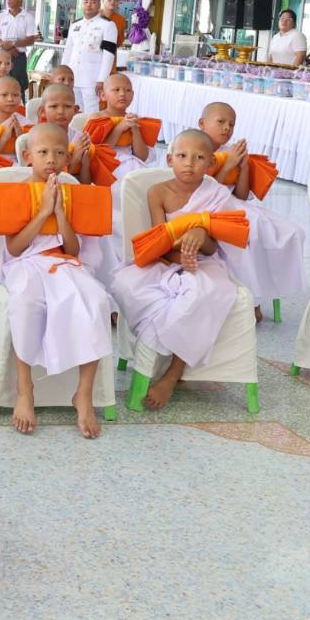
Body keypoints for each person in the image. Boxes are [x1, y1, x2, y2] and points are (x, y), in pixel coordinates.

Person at [109, 129, 243, 410]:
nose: (189, 163)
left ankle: (173, 374)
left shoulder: (217, 194)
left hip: (204, 263)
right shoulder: (158, 192)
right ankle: (152, 354)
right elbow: (160, 240)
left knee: (202, 294)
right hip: (164, 260)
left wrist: (201, 233)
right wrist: (179, 257)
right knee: (126, 284)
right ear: (170, 159)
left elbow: (213, 248)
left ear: (211, 163)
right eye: (182, 156)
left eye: (199, 158)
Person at [1, 124, 112, 436]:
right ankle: (25, 388)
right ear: (28, 157)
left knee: (96, 301)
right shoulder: (16, 192)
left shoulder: (74, 193)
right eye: (43, 152)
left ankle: (84, 395)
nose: (51, 159)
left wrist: (60, 212)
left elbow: (74, 249)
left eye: (59, 153)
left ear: (68, 159)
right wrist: (43, 212)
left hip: (64, 263)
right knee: (25, 302)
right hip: (26, 264)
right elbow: (14, 248)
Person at [198, 101, 305, 318]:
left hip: (235, 203)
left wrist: (244, 166)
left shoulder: (231, 151)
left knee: (291, 232)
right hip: (209, 207)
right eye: (221, 122)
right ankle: (250, 302)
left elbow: (241, 194)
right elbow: (204, 192)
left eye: (231, 124)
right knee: (249, 235)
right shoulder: (194, 149)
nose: (227, 128)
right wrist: (228, 165)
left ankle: (269, 288)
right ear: (202, 123)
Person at [64, 0, 114, 112]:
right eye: (85, 2)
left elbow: (109, 55)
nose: (89, 5)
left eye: (93, 2)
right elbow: (68, 50)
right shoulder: (75, 25)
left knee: (91, 113)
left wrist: (102, 79)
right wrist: (63, 74)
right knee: (73, 111)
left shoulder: (107, 25)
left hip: (92, 78)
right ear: (81, 4)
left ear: (99, 4)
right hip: (73, 77)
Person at [0, 0, 38, 95]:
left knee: (18, 86)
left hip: (18, 57)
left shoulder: (28, 17)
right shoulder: (1, 16)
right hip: (1, 56)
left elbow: (31, 40)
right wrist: (4, 46)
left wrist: (13, 44)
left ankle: (19, 105)